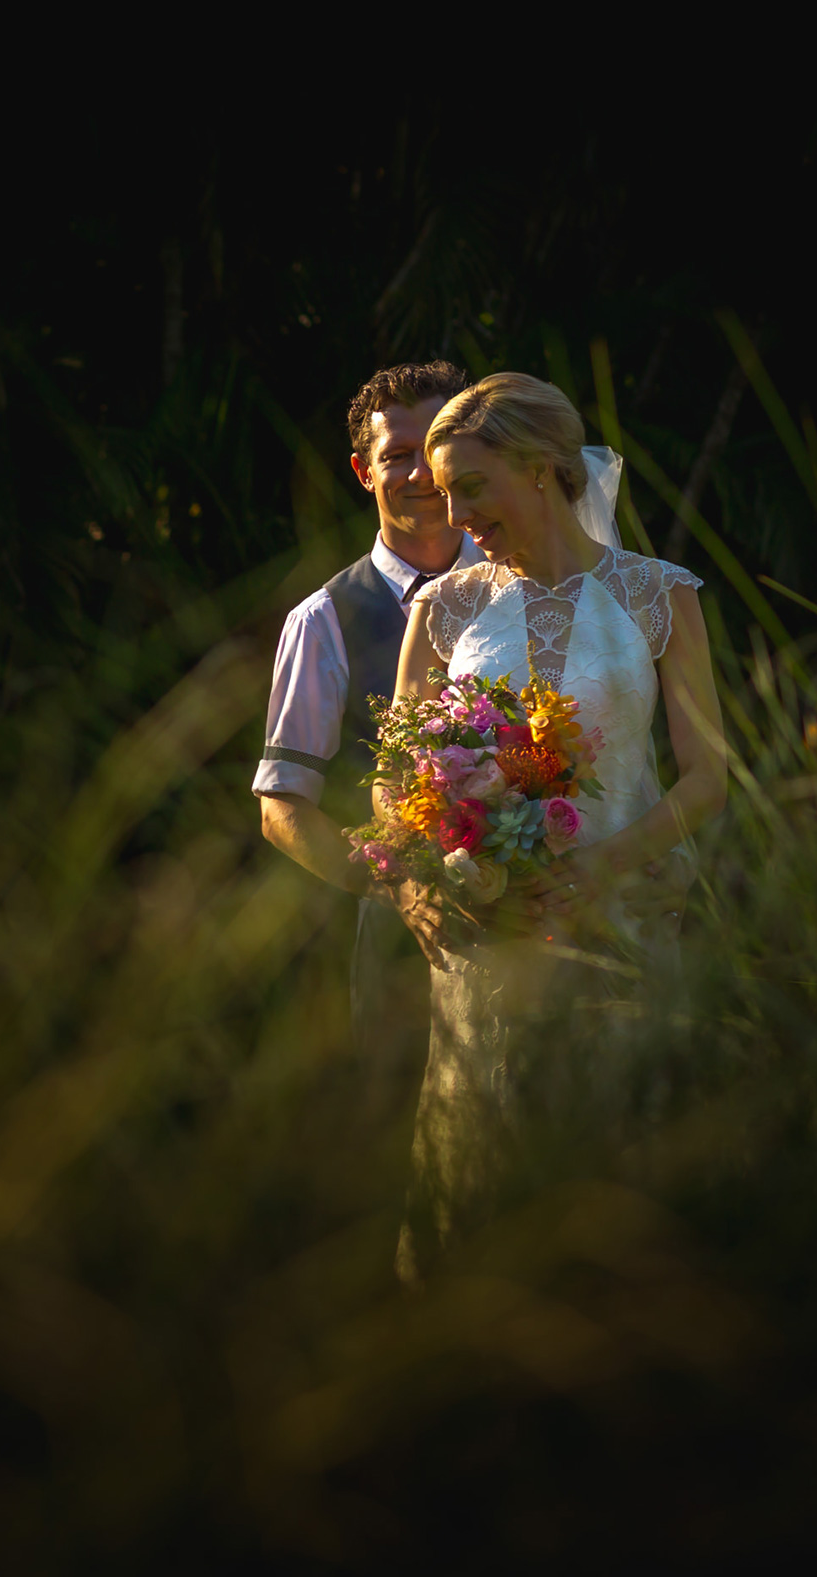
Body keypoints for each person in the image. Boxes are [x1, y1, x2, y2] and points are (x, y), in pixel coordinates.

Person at [385, 373, 728, 1280]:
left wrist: (603, 867)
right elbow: (392, 778)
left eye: (470, 486)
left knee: (620, 1179)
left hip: (626, 916)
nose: (455, 515)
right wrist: (419, 880)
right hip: (485, 932)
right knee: (488, 1192)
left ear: (540, 469)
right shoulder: (445, 607)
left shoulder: (661, 595)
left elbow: (709, 777)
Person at [252, 360, 479, 1087]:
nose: (420, 475)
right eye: (396, 456)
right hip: (400, 953)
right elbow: (281, 807)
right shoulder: (323, 620)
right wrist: (394, 889)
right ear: (362, 471)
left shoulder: (529, 588)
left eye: (434, 449)